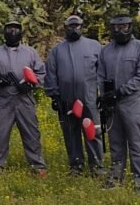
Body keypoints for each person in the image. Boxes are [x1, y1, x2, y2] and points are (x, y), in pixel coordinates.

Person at [45, 15, 105, 176]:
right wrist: (54, 97)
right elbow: (51, 75)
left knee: (93, 131)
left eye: (77, 25)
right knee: (70, 133)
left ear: (82, 26)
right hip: (66, 100)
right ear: (65, 28)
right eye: (70, 26)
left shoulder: (94, 46)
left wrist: (103, 95)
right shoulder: (57, 51)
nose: (74, 29)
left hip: (89, 98)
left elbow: (103, 72)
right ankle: (76, 166)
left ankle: (97, 166)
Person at [98, 15, 140, 193]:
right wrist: (105, 97)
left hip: (133, 103)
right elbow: (101, 76)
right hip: (113, 104)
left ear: (130, 27)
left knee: (136, 143)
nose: (119, 30)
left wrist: (121, 92)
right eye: (115, 27)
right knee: (116, 143)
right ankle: (115, 176)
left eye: (123, 27)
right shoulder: (106, 51)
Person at [0, 19, 48, 176]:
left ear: (21, 33)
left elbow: (41, 72)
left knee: (31, 133)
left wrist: (31, 85)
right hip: (2, 99)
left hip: (25, 99)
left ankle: (37, 165)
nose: (12, 32)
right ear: (4, 33)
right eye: (9, 29)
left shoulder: (30, 52)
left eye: (16, 29)